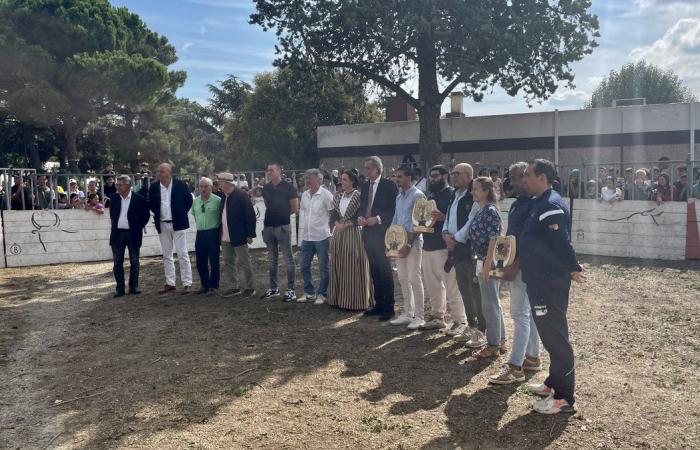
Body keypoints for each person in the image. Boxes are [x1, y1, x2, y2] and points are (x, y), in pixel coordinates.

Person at [520, 158, 586, 415]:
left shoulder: (551, 205)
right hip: (538, 281)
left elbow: (562, 243)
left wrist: (573, 267)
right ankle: (553, 383)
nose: (524, 179)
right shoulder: (540, 203)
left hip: (548, 283)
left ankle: (564, 398)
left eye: (528, 174)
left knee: (556, 338)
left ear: (543, 177)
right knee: (549, 336)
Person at [489, 162, 541, 384]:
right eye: (511, 177)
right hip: (517, 263)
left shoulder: (532, 204)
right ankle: (532, 357)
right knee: (527, 314)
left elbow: (529, 240)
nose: (513, 181)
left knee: (520, 314)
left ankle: (515, 366)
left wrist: (514, 264)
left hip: (523, 265)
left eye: (517, 177)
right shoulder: (520, 203)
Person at [419, 165, 469, 335]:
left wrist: (443, 217)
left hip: (444, 247)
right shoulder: (430, 195)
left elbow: (458, 218)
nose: (432, 179)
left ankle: (459, 320)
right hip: (427, 245)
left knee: (451, 285)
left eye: (435, 176)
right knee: (432, 285)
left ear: (445, 176)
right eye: (430, 176)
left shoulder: (451, 195)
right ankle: (437, 317)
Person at [442, 163, 486, 346]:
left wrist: (456, 238)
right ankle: (471, 325)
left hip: (469, 249)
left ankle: (481, 331)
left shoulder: (473, 196)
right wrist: (445, 233)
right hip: (456, 249)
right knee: (464, 290)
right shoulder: (455, 194)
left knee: (475, 291)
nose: (453, 176)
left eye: (457, 173)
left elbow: (471, 222)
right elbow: (448, 217)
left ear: (468, 175)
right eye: (452, 173)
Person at [467, 176, 506, 358]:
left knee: (489, 304)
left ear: (486, 191)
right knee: (492, 302)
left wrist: (487, 265)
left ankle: (493, 344)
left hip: (487, 261)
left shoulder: (489, 211)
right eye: (473, 189)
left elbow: (494, 239)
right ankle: (501, 340)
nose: (473, 192)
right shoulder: (482, 210)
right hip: (482, 260)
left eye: (476, 189)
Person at [359, 156, 399, 322]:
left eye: (368, 168)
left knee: (384, 269)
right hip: (368, 232)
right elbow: (362, 205)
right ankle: (379, 304)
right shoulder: (365, 185)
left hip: (382, 232)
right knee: (374, 270)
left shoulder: (389, 186)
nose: (365, 171)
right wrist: (360, 217)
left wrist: (378, 219)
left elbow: (393, 209)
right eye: (365, 168)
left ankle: (389, 307)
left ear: (377, 169)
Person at [328, 170, 374, 310]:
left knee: (352, 264)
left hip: (353, 233)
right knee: (339, 263)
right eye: (341, 179)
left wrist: (346, 225)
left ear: (352, 181)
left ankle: (355, 300)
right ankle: (338, 298)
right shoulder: (338, 195)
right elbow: (334, 214)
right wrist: (337, 225)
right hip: (339, 233)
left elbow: (360, 216)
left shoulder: (358, 196)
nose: (342, 182)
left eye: (345, 179)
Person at [388, 166, 426, 329]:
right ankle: (407, 313)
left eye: (401, 176)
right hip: (398, 242)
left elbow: (420, 223)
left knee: (414, 278)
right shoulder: (399, 197)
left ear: (409, 178)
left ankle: (419, 316)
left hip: (413, 242)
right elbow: (395, 220)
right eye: (396, 176)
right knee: (403, 278)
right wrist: (389, 242)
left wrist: (409, 243)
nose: (397, 179)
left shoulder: (418, 195)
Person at [148, 163, 194, 294]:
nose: (159, 173)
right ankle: (170, 282)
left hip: (178, 223)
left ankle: (187, 283)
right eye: (158, 171)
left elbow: (188, 201)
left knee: (182, 253)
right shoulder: (154, 187)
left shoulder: (180, 185)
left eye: (162, 171)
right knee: (166, 254)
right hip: (162, 223)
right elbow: (151, 203)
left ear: (169, 172)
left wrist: (180, 213)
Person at [260, 162, 299, 301]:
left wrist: (281, 215)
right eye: (268, 170)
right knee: (271, 259)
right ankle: (273, 288)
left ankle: (291, 290)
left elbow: (294, 208)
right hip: (269, 226)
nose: (269, 172)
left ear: (279, 171)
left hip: (283, 227)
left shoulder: (289, 188)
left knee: (288, 258)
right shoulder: (266, 188)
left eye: (272, 170)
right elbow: (267, 205)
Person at [109, 175, 150, 297]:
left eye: (119, 184)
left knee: (134, 261)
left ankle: (133, 286)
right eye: (117, 184)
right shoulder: (115, 198)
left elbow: (145, 216)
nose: (117, 186)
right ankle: (120, 288)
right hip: (117, 234)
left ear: (127, 185)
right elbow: (112, 215)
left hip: (133, 234)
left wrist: (137, 227)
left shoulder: (139, 199)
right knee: (117, 263)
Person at [298, 169, 334, 304]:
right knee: (303, 266)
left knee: (323, 267)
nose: (308, 181)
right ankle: (309, 292)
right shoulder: (305, 195)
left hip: (322, 237)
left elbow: (333, 213)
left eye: (311, 178)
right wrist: (300, 236)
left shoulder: (326, 195)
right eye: (306, 178)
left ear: (320, 180)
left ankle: (322, 294)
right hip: (307, 237)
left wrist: (330, 231)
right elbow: (303, 214)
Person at [219, 172, 257, 298]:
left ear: (227, 183)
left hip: (239, 235)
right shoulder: (224, 196)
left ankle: (250, 287)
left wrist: (250, 234)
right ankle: (233, 286)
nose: (219, 184)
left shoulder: (241, 195)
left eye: (220, 182)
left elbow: (250, 215)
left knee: (244, 262)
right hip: (225, 235)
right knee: (228, 261)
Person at [192, 177, 222, 295]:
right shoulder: (196, 201)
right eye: (201, 187)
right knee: (200, 261)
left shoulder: (218, 200)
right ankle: (204, 285)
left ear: (211, 187)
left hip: (213, 233)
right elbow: (195, 215)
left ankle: (213, 286)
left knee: (214, 260)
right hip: (200, 233)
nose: (203, 189)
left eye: (206, 186)